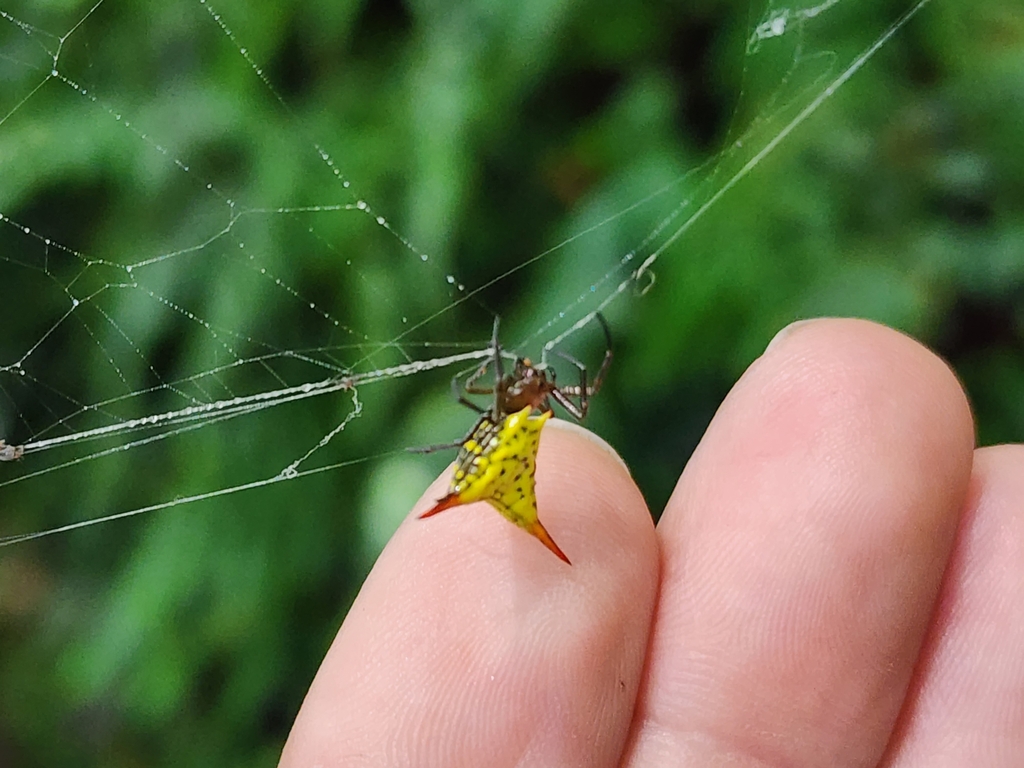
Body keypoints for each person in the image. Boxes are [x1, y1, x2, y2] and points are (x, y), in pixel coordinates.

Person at [279, 318, 1023, 767]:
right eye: (518, 374)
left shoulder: (520, 398)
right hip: (503, 455)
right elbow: (480, 395)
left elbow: (520, 392)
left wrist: (510, 367)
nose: (530, 378)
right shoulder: (512, 401)